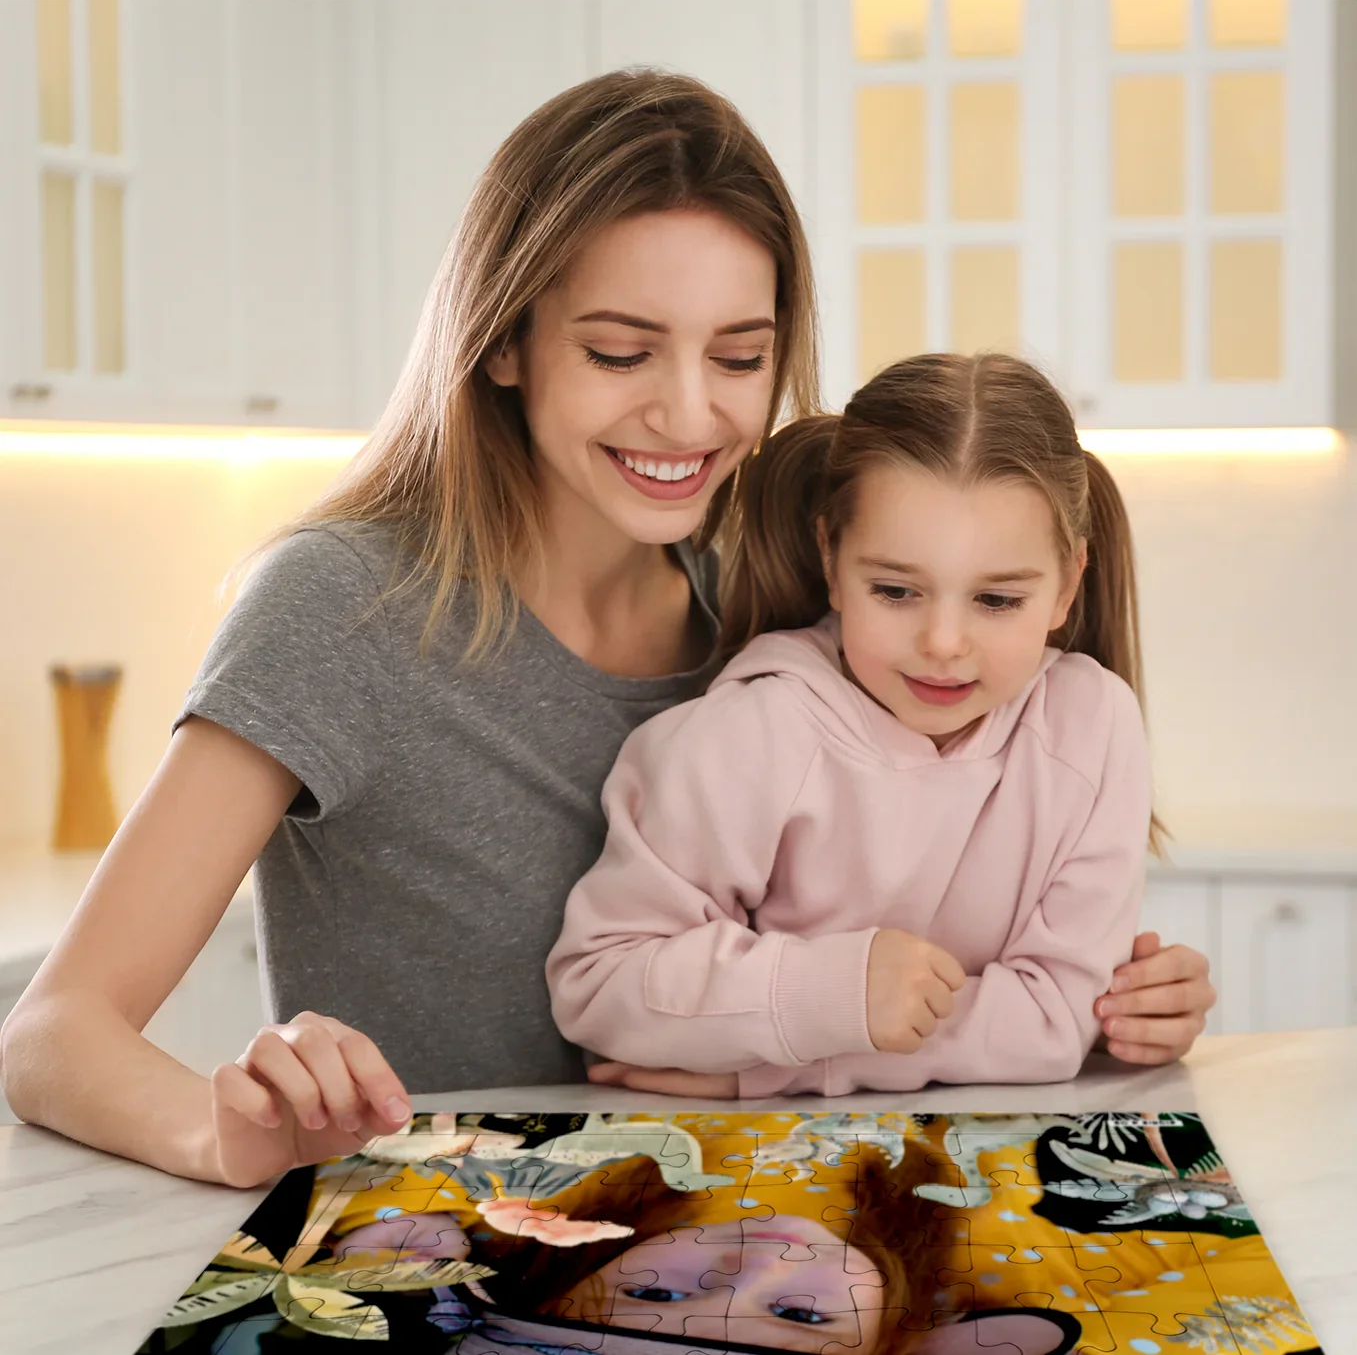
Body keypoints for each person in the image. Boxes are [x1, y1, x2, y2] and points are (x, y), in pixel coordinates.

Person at [0, 71, 1213, 1190]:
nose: (688, 412)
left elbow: (886, 956)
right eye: (621, 350)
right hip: (441, 1244)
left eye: (738, 356)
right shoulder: (343, 608)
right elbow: (56, 1032)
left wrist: (1112, 1009)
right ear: (505, 340)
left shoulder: (771, 595)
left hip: (740, 1219)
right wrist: (219, 1133)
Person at [549, 353, 1182, 1098]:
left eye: (996, 600)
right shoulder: (746, 737)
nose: (943, 643)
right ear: (831, 557)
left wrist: (789, 1060)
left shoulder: (1092, 726)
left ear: (1068, 583)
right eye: (894, 590)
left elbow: (1054, 1021)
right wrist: (834, 992)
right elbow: (600, 984)